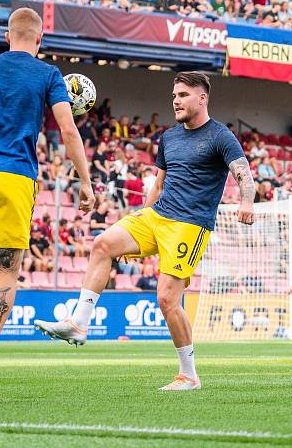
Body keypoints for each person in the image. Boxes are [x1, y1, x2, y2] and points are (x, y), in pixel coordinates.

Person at [34, 71, 255, 391]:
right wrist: (142, 215)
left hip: (190, 226)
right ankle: (78, 324)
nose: (176, 100)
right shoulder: (169, 137)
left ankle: (189, 375)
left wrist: (246, 202)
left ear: (202, 98)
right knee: (103, 243)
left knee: (166, 298)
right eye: (174, 95)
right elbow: (159, 182)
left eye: (183, 95)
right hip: (157, 216)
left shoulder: (221, 136)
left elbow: (243, 174)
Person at [0, 8, 95, 396]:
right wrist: (85, 181)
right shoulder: (48, 75)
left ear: (7, 35)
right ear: (40, 39)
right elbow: (68, 130)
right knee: (5, 275)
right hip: (16, 178)